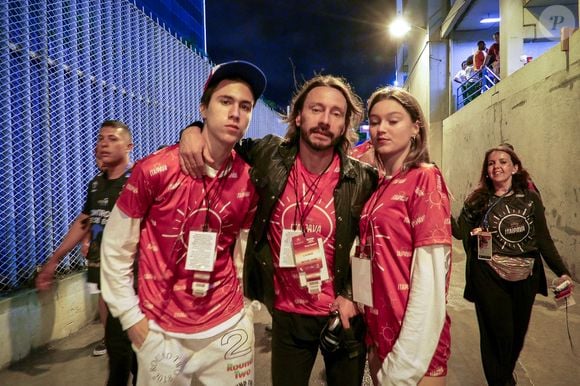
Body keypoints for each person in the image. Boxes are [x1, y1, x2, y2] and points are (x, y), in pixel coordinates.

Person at [180, 74, 378, 386]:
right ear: (298, 115)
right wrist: (191, 130)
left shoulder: (364, 178)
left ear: (344, 125)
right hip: (287, 316)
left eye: (336, 113)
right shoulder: (267, 155)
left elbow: (372, 246)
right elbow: (220, 144)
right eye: (316, 109)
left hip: (342, 314)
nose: (325, 120)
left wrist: (353, 295)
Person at [100, 61, 265, 386]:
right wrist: (131, 317)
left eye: (245, 106)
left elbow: (242, 255)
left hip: (227, 330)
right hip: (162, 332)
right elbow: (116, 248)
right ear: (203, 108)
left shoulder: (248, 179)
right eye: (225, 101)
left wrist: (244, 310)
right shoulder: (155, 170)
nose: (235, 113)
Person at [351, 87, 452, 386]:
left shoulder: (426, 177)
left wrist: (406, 360)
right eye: (375, 121)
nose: (381, 129)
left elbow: (432, 277)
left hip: (414, 348)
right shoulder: (381, 183)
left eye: (393, 121)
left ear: (415, 127)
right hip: (379, 333)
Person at [455, 145, 574, 386]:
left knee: (517, 336)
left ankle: (503, 376)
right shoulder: (478, 200)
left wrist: (562, 271)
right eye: (491, 163)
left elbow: (543, 239)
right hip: (489, 276)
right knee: (498, 335)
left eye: (503, 162)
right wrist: (439, 208)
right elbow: (460, 231)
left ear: (515, 167)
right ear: (487, 171)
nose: (496, 166)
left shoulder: (530, 199)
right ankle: (501, 382)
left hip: (526, 277)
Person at [36, 120, 137, 385]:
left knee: (126, 348)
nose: (104, 143)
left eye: (112, 138)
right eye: (101, 138)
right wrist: (54, 260)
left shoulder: (137, 183)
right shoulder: (96, 184)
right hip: (105, 273)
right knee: (122, 347)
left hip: (132, 281)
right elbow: (84, 221)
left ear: (129, 146)